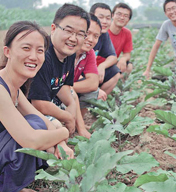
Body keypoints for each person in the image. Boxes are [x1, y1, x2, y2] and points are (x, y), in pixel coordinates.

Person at [0, 21, 73, 192]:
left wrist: (61, 142)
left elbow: (46, 121)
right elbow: (30, 140)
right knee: (35, 131)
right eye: (26, 48)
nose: (34, 56)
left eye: (40, 50)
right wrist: (64, 133)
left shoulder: (14, 88)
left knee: (44, 125)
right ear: (7, 52)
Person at [28, 4, 91, 138]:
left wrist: (71, 106)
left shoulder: (69, 54)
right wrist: (67, 117)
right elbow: (39, 104)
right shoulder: (43, 55)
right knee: (56, 128)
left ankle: (80, 128)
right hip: (26, 109)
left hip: (47, 100)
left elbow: (65, 86)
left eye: (80, 34)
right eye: (68, 31)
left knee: (73, 96)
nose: (73, 38)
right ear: (53, 28)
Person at [73, 14, 106, 135]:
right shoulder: (67, 50)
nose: (91, 40)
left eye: (96, 36)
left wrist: (68, 87)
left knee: (93, 92)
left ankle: (77, 122)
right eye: (87, 34)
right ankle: (75, 125)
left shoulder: (89, 53)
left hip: (66, 87)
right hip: (50, 92)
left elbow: (93, 83)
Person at [142, 0, 176, 79]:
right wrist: (147, 69)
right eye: (168, 10)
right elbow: (156, 46)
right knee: (157, 76)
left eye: (174, 8)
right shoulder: (166, 25)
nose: (172, 12)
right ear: (165, 13)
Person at [90, 3, 121, 95]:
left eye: (108, 18)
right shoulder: (82, 33)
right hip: (72, 74)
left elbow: (113, 56)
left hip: (88, 72)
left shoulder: (103, 34)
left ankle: (96, 104)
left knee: (114, 72)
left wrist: (102, 66)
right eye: (101, 17)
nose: (104, 21)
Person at [97, 3, 133, 76]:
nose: (122, 18)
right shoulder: (104, 30)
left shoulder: (127, 33)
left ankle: (120, 84)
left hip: (110, 63)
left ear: (128, 20)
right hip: (95, 64)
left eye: (125, 16)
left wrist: (123, 59)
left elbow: (127, 53)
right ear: (112, 15)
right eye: (119, 14)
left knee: (129, 66)